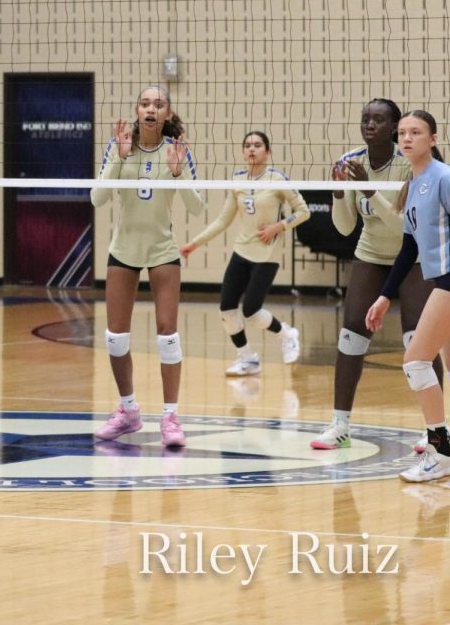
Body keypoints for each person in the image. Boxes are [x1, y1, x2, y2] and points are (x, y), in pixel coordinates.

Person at [311, 99, 441, 450]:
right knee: (350, 337)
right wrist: (340, 194)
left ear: (394, 128)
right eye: (366, 119)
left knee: (419, 341)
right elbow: (344, 228)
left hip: (413, 257)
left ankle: (435, 429)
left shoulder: (410, 165)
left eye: (380, 120)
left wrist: (370, 190)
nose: (370, 125)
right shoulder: (350, 162)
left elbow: (407, 227)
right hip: (370, 253)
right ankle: (340, 425)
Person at [90, 85, 203, 447]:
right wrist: (119, 159)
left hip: (162, 249)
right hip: (124, 249)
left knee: (168, 335)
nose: (151, 108)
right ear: (137, 111)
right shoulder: (119, 146)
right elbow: (98, 198)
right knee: (115, 337)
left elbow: (197, 207)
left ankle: (170, 417)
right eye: (144, 103)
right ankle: (128, 411)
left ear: (167, 114)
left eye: (158, 104)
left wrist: (177, 173)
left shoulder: (178, 151)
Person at [365, 110, 450, 482]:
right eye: (402, 133)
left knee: (416, 362)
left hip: (449, 280)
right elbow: (408, 247)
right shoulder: (414, 184)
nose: (406, 138)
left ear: (432, 139)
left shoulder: (444, 178)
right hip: (440, 279)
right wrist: (385, 297)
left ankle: (440, 450)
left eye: (416, 132)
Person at [181, 131, 309, 375]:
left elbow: (303, 212)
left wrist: (278, 226)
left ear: (267, 152)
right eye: (248, 145)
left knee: (251, 310)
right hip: (242, 251)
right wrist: (194, 244)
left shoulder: (277, 179)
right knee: (226, 308)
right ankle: (247, 358)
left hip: (267, 254)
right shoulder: (238, 179)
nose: (252, 149)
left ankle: (287, 334)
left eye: (258, 145)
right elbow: (223, 220)